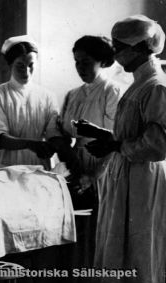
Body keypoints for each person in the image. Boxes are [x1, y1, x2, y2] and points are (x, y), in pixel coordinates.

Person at [75, 15, 166, 283]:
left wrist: (115, 145)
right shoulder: (139, 84)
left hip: (143, 179)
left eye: (119, 47)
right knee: (119, 245)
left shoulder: (156, 86)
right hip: (127, 173)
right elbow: (133, 135)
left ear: (139, 48)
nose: (114, 53)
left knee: (139, 248)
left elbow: (159, 145)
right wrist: (104, 134)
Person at [0, 35, 70, 170]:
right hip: (6, 163)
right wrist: (31, 144)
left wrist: (59, 144)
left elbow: (52, 132)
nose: (26, 71)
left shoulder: (47, 96)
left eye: (31, 65)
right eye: (20, 66)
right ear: (10, 64)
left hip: (39, 162)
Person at [60, 35, 121, 208]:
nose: (80, 68)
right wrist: (73, 167)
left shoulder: (111, 91)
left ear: (101, 62)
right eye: (77, 62)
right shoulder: (72, 95)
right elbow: (64, 134)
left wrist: (93, 175)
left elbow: (114, 139)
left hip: (104, 165)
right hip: (75, 165)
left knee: (101, 218)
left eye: (86, 62)